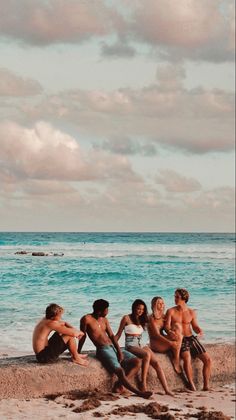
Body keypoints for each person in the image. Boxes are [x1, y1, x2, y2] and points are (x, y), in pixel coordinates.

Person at [78, 299, 152, 399]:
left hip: (113, 347)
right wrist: (77, 352)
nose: (108, 311)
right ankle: (139, 393)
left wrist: (119, 351)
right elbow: (83, 336)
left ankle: (119, 385)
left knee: (137, 362)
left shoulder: (104, 320)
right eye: (106, 309)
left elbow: (112, 336)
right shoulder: (86, 319)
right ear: (100, 311)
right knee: (120, 371)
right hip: (103, 350)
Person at [115, 299, 173, 395]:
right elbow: (118, 334)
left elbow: (156, 319)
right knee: (146, 355)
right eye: (138, 309)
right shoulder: (126, 318)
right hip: (130, 345)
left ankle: (167, 390)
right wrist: (112, 345)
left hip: (141, 345)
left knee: (157, 363)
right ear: (134, 308)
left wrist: (158, 309)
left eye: (142, 309)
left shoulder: (143, 319)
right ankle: (143, 384)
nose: (140, 311)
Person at [165, 289, 212, 391]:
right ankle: (191, 385)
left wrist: (199, 331)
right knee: (187, 357)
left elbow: (195, 326)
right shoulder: (171, 311)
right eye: (175, 296)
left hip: (191, 337)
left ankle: (206, 386)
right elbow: (167, 327)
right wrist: (170, 332)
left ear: (184, 298)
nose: (175, 299)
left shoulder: (191, 312)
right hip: (179, 339)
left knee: (208, 360)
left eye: (177, 297)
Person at [148, 296, 183, 374]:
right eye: (159, 303)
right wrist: (170, 343)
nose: (161, 305)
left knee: (177, 328)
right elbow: (156, 335)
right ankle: (176, 361)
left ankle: (176, 358)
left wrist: (170, 332)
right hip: (155, 343)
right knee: (176, 341)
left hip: (163, 340)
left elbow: (167, 329)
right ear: (154, 305)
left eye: (162, 303)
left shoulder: (163, 316)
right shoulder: (151, 318)